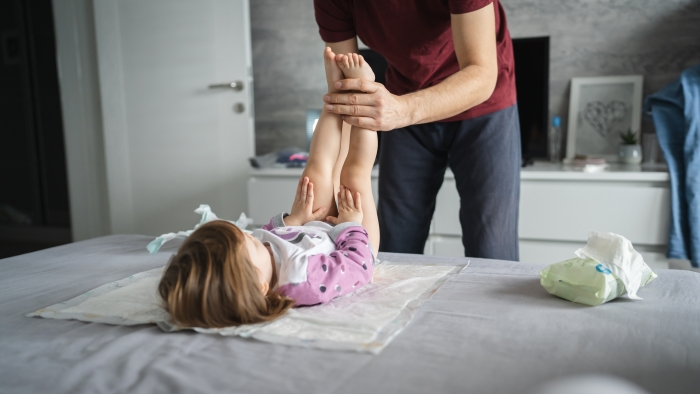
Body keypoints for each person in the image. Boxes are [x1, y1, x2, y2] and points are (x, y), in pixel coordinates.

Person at [158, 49, 380, 328]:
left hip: (312, 228)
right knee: (353, 174)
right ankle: (366, 93)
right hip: (352, 241)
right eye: (249, 241)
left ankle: (336, 93)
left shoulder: (255, 261)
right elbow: (357, 267)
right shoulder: (304, 281)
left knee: (317, 169)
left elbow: (271, 238)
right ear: (262, 286)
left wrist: (294, 220)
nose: (251, 235)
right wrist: (349, 226)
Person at [314, 0, 521, 261]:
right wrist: (328, 184)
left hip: (482, 104)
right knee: (396, 243)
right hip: (403, 101)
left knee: (492, 249)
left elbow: (481, 74)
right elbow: (344, 95)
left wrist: (400, 110)